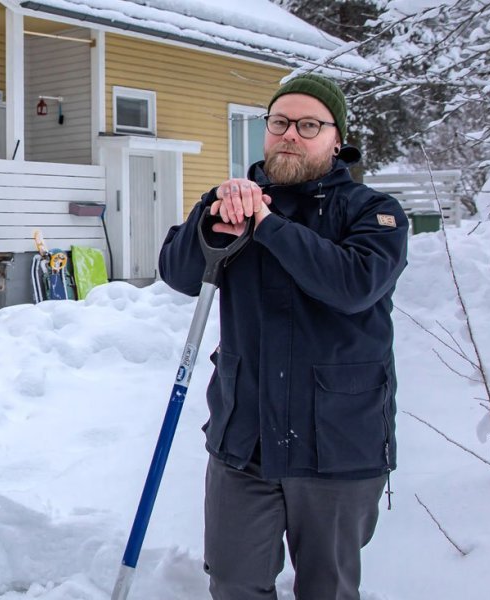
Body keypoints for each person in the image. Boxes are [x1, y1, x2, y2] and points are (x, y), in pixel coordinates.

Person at [158, 73, 409, 600]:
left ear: (336, 139)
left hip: (338, 444)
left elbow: (353, 285)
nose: (290, 133)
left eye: (308, 124)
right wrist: (209, 225)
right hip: (244, 439)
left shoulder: (373, 212)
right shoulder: (230, 203)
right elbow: (179, 275)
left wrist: (268, 225)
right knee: (233, 582)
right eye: (279, 122)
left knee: (328, 588)